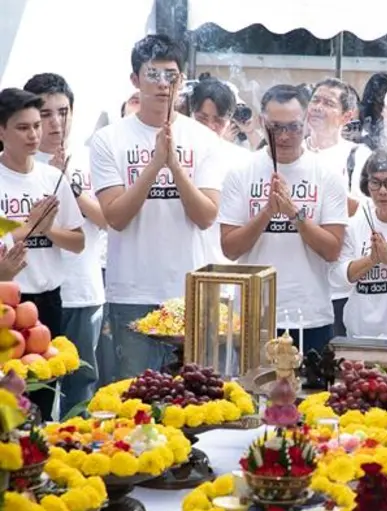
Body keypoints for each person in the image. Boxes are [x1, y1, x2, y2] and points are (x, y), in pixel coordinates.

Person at [91, 34, 224, 381]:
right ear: (135, 80)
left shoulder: (204, 139)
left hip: (190, 292)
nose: (164, 85)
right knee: (135, 398)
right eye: (154, 74)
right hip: (132, 291)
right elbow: (115, 217)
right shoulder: (110, 139)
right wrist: (154, 165)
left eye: (172, 75)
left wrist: (175, 167)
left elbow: (206, 215)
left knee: (195, 398)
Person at [219, 84, 348, 354]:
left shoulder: (327, 174)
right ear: (262, 122)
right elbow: (230, 249)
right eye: (276, 127)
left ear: (307, 123)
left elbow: (332, 249)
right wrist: (266, 212)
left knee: (310, 395)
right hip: (254, 316)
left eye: (293, 127)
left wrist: (294, 213)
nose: (285, 136)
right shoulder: (240, 172)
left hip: (310, 315)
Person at [24, 73, 106, 415]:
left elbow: (106, 219)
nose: (56, 122)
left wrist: (69, 185)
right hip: (32, 295)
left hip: (84, 292)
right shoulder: (20, 163)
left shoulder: (90, 159)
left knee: (81, 386)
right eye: (45, 114)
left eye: (64, 111)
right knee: (33, 387)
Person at [0, 88, 85, 419]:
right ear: (2, 131)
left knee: (42, 397)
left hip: (47, 301)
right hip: (7, 300)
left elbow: (78, 242)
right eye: (23, 127)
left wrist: (48, 230)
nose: (34, 134)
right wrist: (32, 223)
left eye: (37, 125)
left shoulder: (52, 177)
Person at [332, 146, 387, 339]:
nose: (382, 191)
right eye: (375, 183)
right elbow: (338, 275)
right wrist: (372, 259)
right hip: (360, 334)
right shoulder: (356, 223)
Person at [305, 77, 362, 336]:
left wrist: (328, 191)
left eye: (328, 103)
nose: (317, 107)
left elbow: (364, 211)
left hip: (338, 285)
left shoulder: (358, 156)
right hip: (296, 281)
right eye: (315, 100)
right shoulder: (290, 153)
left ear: (347, 116)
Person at [189, 76, 250, 265]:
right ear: (191, 113)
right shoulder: (171, 153)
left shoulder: (243, 160)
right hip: (181, 263)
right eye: (202, 118)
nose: (209, 127)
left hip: (224, 266)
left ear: (229, 120)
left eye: (218, 121)